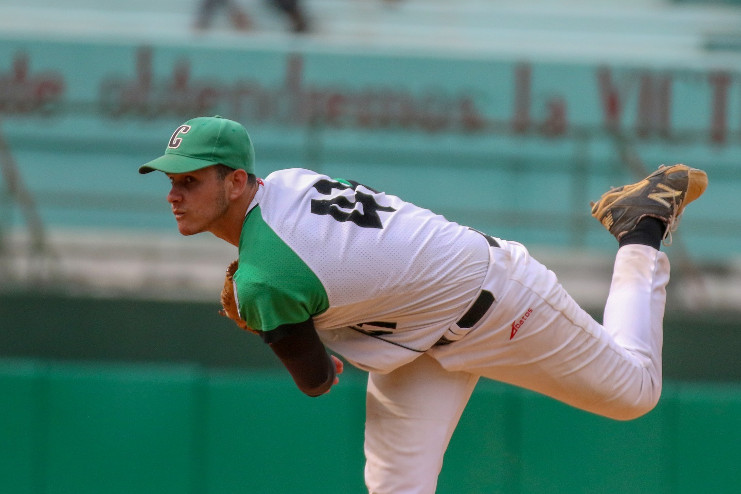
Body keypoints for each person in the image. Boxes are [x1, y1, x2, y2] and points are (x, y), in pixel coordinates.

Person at [139, 115, 707, 493]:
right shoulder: (288, 181)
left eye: (189, 181)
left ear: (237, 181)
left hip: (496, 302)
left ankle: (641, 225)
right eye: (170, 179)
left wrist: (285, 322)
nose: (173, 193)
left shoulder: (264, 281)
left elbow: (318, 380)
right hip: (413, 340)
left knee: (635, 391)